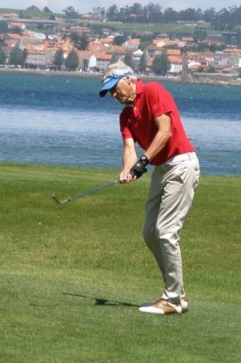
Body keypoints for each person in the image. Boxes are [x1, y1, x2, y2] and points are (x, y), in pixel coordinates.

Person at [99, 61, 200, 315]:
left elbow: (164, 132)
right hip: (161, 169)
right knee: (149, 232)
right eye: (109, 92)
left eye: (115, 88)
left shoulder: (153, 90)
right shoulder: (125, 115)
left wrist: (143, 163)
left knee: (166, 231)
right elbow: (129, 149)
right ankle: (178, 292)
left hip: (181, 164)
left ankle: (173, 299)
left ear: (130, 79)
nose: (114, 95)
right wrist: (127, 170)